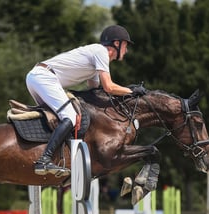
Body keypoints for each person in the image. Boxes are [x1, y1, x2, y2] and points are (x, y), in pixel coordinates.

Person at [26, 25, 146, 176]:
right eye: (125, 45)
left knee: (56, 119)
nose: (126, 50)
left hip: (38, 77)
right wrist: (131, 91)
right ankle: (44, 160)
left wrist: (124, 93)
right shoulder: (101, 52)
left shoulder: (96, 58)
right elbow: (108, 87)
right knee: (70, 116)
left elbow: (95, 91)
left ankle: (53, 157)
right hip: (44, 78)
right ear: (117, 43)